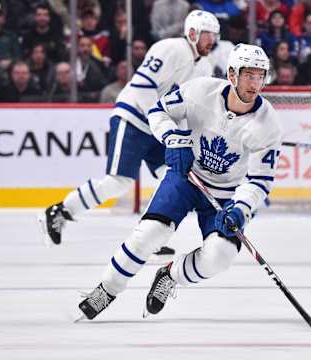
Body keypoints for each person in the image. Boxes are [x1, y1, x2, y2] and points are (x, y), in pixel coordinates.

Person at [76, 43, 283, 321]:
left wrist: (240, 208)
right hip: (186, 177)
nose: (255, 83)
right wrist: (173, 138)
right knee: (150, 233)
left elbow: (259, 180)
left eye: (261, 76)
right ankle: (107, 289)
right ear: (232, 75)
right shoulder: (200, 91)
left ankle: (171, 273)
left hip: (226, 195)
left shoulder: (268, 124)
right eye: (249, 75)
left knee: (219, 256)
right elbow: (158, 111)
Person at [38, 11, 220, 260]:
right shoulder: (169, 48)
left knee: (173, 179)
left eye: (216, 35)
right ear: (192, 33)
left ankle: (148, 237)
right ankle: (59, 211)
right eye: (209, 35)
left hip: (158, 126)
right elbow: (144, 87)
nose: (213, 40)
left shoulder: (205, 66)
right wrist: (163, 124)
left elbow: (193, 106)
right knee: (118, 181)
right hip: (134, 118)